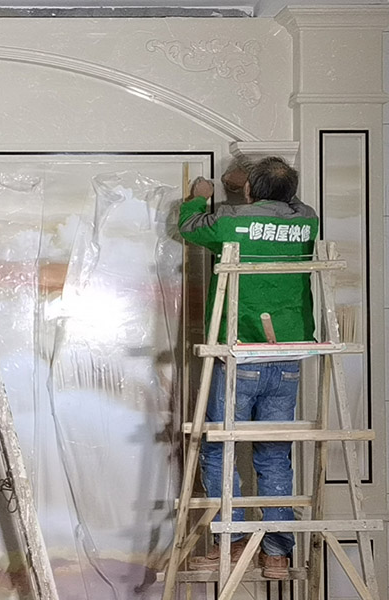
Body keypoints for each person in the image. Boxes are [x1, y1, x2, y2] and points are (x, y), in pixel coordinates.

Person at [178, 157, 319, 579]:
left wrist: (199, 197)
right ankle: (276, 552)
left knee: (219, 448)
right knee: (274, 454)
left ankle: (234, 541)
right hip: (289, 355)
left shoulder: (229, 220)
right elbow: (286, 205)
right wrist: (258, 186)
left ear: (249, 191)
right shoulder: (307, 222)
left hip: (242, 352)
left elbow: (189, 226)